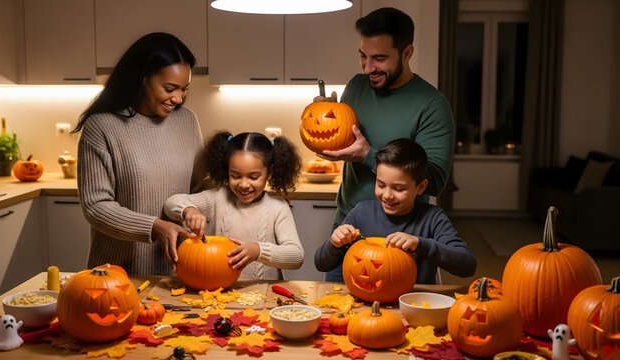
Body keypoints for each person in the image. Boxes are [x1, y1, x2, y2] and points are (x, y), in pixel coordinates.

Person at [314, 8, 456, 235]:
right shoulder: (356, 87)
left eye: (379, 58)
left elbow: (436, 181)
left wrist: (368, 156)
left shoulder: (432, 105)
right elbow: (345, 143)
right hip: (346, 225)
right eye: (363, 56)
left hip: (401, 234)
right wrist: (324, 118)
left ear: (407, 53)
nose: (368, 67)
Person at [72, 32, 203, 276]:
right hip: (117, 275)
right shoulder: (102, 126)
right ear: (143, 77)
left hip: (180, 271)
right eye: (170, 88)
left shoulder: (187, 121)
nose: (178, 98)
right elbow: (96, 206)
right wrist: (154, 226)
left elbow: (200, 189)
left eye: (184, 89)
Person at [315, 139, 476, 284]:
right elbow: (321, 263)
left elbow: (468, 265)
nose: (387, 195)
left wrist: (421, 244)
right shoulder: (361, 212)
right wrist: (334, 244)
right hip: (364, 307)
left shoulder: (433, 218)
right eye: (381, 185)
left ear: (421, 187)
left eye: (399, 188)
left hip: (413, 306)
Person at [164, 131, 304, 280]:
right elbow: (171, 203)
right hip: (220, 293)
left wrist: (258, 251)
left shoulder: (278, 208)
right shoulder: (218, 197)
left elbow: (296, 256)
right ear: (227, 171)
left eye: (253, 177)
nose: (243, 184)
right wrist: (188, 210)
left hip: (264, 294)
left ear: (270, 173)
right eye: (235, 176)